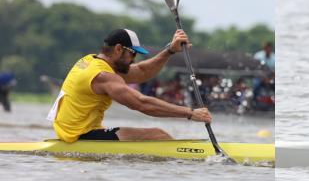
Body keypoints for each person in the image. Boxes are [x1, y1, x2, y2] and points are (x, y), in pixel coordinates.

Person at [46, 28, 212, 142]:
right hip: (79, 136)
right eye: (133, 53)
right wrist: (190, 113)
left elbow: (141, 71)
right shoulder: (103, 76)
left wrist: (170, 51)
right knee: (157, 135)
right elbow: (141, 104)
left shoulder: (91, 61)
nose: (134, 59)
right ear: (119, 49)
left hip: (73, 133)